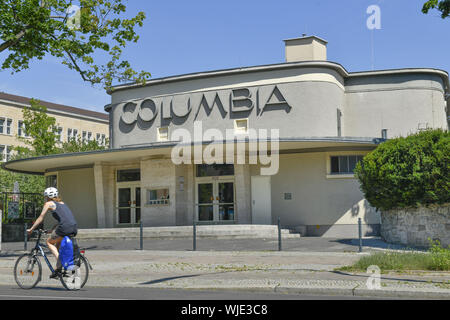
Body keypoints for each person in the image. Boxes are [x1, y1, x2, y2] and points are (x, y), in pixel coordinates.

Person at [27, 187, 78, 278]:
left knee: (48, 242)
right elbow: (63, 220)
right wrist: (52, 230)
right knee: (57, 244)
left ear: (47, 196)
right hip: (73, 227)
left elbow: (41, 217)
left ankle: (60, 261)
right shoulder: (62, 203)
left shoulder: (49, 203)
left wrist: (31, 229)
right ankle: (58, 270)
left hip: (64, 228)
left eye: (45, 196)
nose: (45, 198)